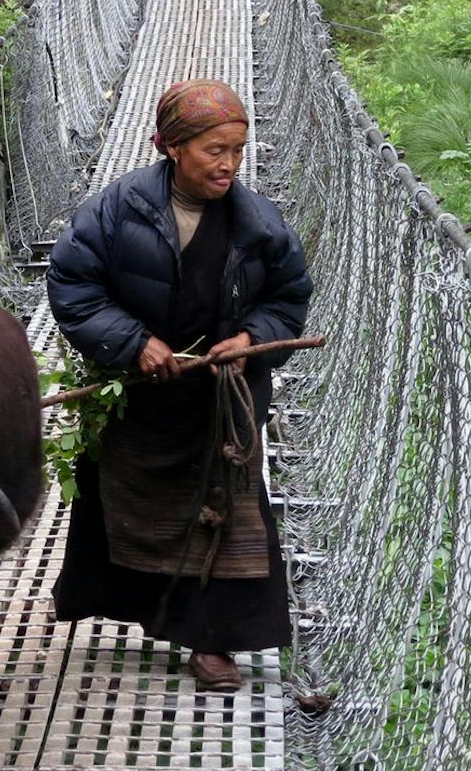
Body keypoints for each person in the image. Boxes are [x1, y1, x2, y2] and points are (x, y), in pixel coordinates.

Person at [45, 80, 312, 691]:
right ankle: (140, 608)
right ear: (170, 147)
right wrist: (132, 342)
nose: (229, 164)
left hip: (221, 400)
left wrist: (249, 339)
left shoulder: (260, 224)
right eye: (215, 150)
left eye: (237, 151)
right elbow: (74, 283)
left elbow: (287, 299)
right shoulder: (116, 210)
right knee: (134, 503)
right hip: (139, 395)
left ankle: (212, 641)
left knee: (226, 510)